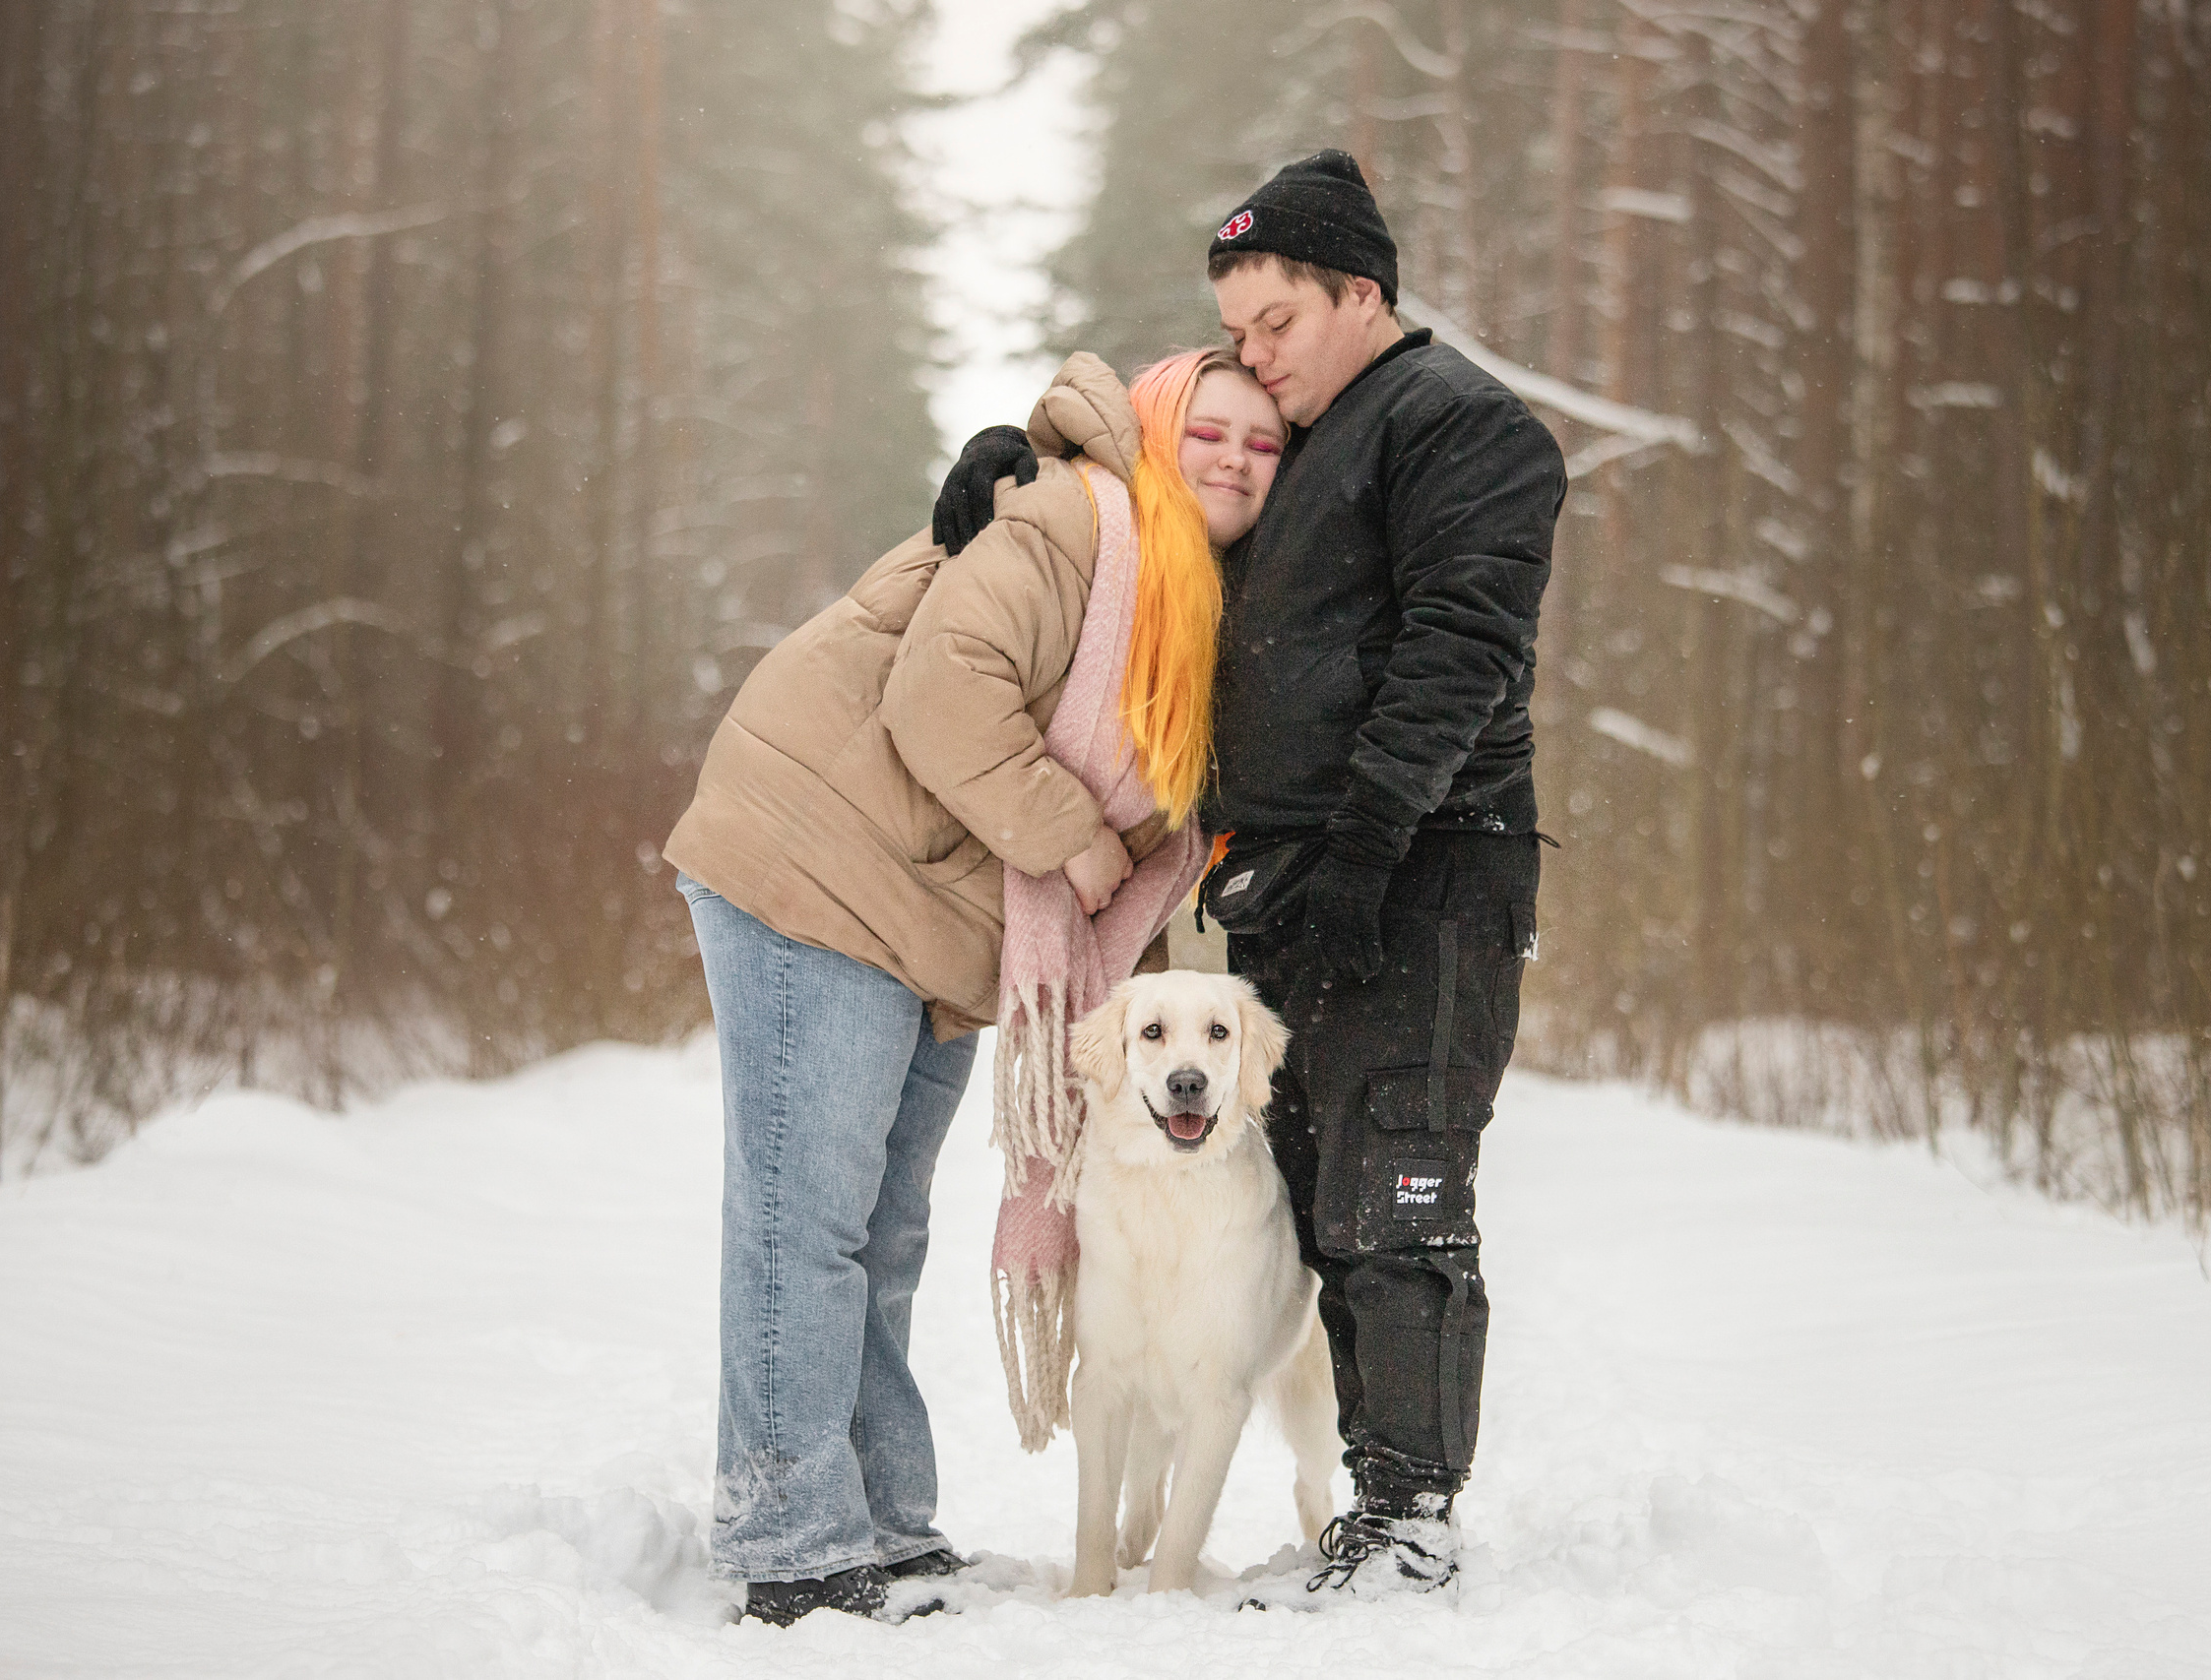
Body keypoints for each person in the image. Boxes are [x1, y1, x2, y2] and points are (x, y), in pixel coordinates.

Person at [935, 151, 1566, 1596]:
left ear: (1364, 291)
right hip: (1292, 885)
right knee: (1306, 1206)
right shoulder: (1302, 437)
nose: (1255, 355)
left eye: (1277, 319)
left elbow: (1456, 657)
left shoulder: (1463, 429)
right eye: (1238, 324)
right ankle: (1341, 1495)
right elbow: (1159, 513)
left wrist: (1363, 849)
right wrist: (1011, 463)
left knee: (1397, 1186)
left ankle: (1407, 1520)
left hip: (1425, 867)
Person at [663, 347, 1286, 1626]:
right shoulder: (1075, 519)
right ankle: (787, 1541)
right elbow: (941, 689)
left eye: (1265, 444)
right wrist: (1072, 834)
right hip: (819, 860)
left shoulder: (1189, 613)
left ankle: (881, 1524)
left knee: (884, 1231)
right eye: (1211, 428)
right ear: (1160, 428)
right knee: (807, 1223)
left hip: (937, 923)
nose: (1234, 456)